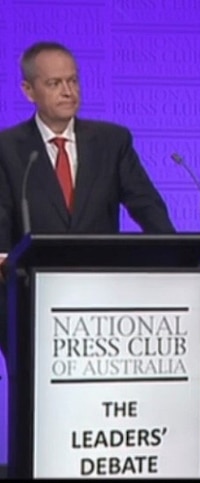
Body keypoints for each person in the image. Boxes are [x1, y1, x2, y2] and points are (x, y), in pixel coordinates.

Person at [0, 41, 175, 351]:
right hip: (30, 303)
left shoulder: (112, 141)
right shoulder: (8, 148)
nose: (68, 91)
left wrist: (174, 257)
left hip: (100, 303)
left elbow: (146, 205)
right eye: (54, 83)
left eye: (73, 80)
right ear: (29, 91)